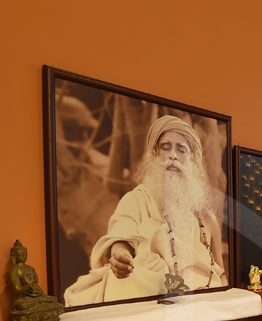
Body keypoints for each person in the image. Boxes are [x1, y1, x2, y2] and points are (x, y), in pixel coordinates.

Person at [64, 115, 226, 305]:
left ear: (192, 160)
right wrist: (120, 255)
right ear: (154, 154)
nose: (173, 155)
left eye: (181, 149)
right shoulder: (136, 199)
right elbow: (121, 234)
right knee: (124, 282)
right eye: (166, 147)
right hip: (149, 289)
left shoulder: (206, 219)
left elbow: (219, 273)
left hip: (199, 296)